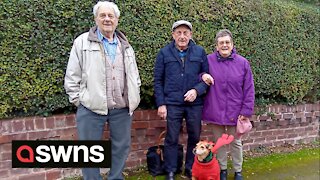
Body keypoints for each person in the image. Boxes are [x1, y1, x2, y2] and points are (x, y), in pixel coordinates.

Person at [64, 1, 141, 180]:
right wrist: (79, 100)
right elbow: (72, 75)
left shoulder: (126, 45)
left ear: (117, 19)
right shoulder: (82, 42)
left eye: (110, 16)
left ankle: (115, 178)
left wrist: (134, 95)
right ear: (96, 18)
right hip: (91, 108)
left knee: (120, 147)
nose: (107, 19)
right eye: (103, 15)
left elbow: (134, 75)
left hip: (121, 108)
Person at [154, 20, 209, 180]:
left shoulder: (200, 52)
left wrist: (196, 91)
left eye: (185, 32)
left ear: (191, 34)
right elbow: (158, 80)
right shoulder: (164, 53)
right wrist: (161, 103)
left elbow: (206, 78)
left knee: (194, 137)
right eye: (179, 32)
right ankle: (170, 170)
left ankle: (191, 168)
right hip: (172, 103)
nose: (182, 36)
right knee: (171, 137)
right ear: (173, 35)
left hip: (194, 104)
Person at [201, 29, 255, 180]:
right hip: (215, 108)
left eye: (227, 42)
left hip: (235, 111)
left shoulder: (243, 63)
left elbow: (249, 88)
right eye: (221, 43)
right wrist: (202, 75)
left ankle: (238, 171)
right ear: (216, 46)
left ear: (232, 45)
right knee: (219, 143)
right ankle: (222, 169)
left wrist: (246, 111)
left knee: (236, 143)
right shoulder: (208, 60)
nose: (224, 45)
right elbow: (198, 75)